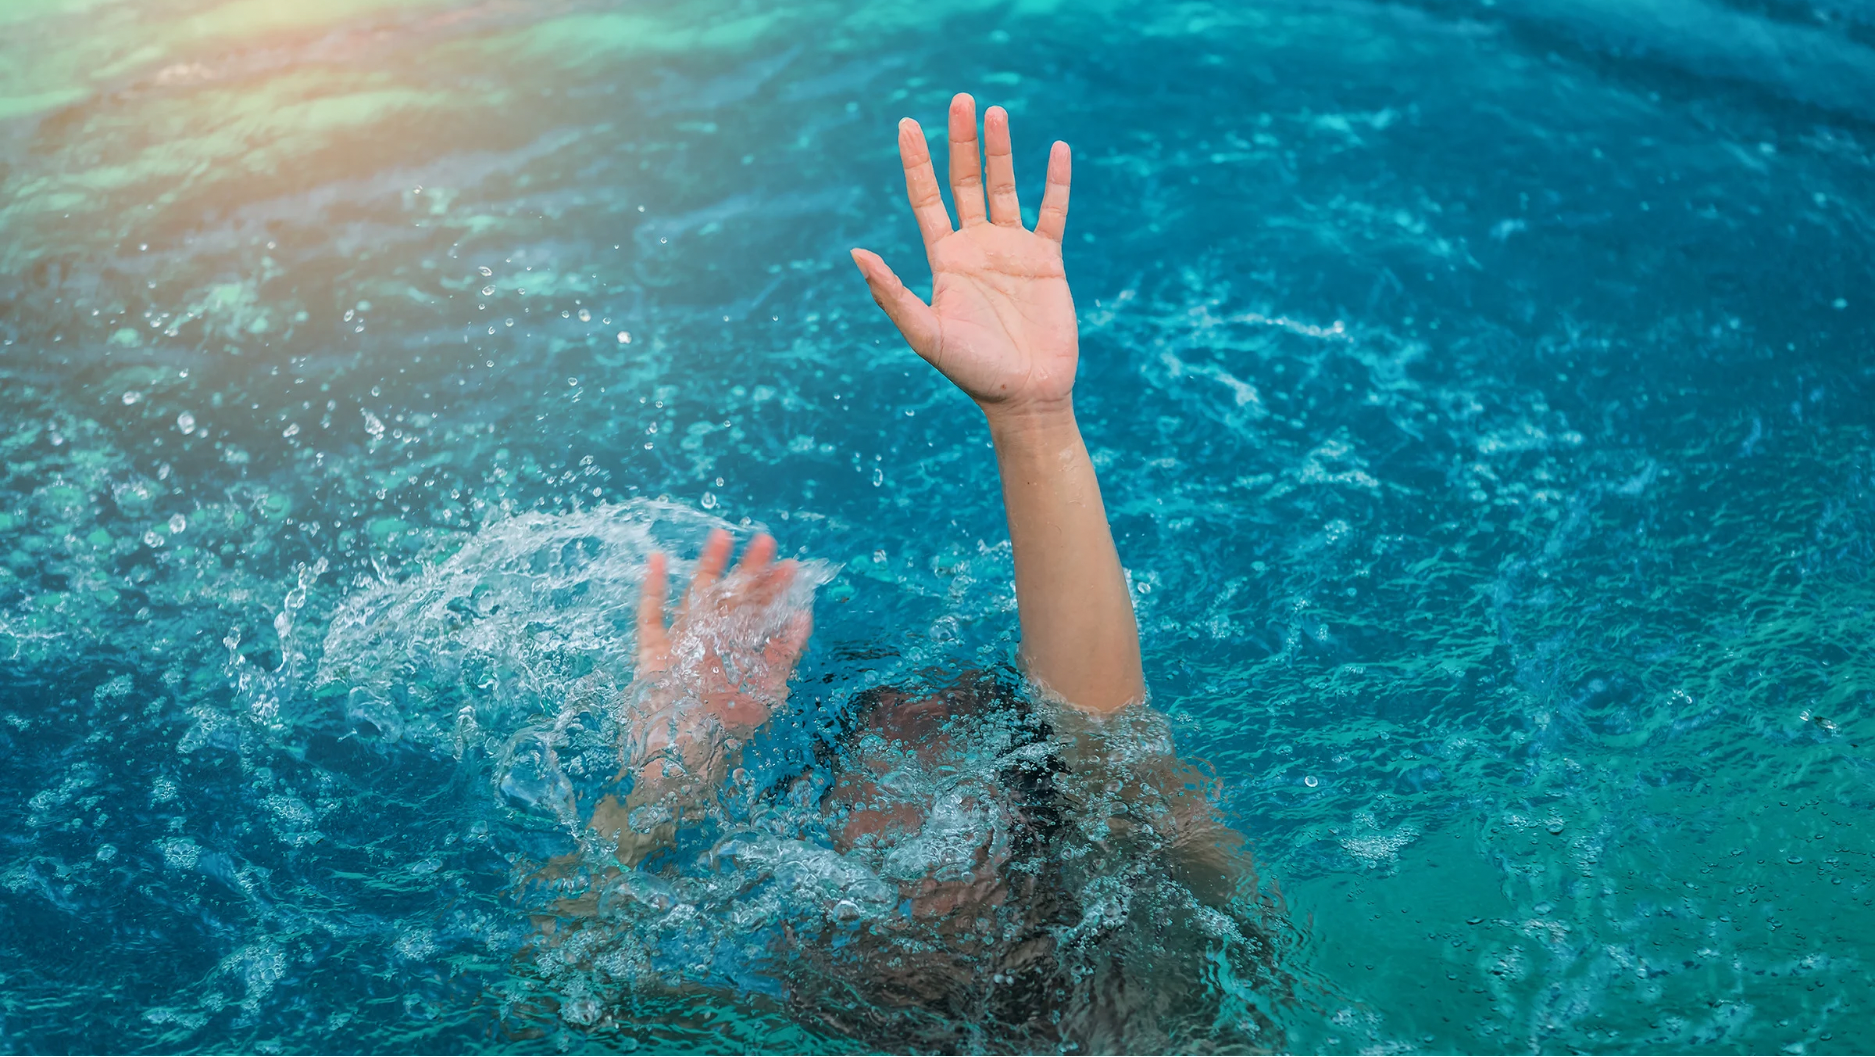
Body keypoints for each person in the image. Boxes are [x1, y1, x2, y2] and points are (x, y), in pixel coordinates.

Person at [550, 93, 1283, 1053]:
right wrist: (662, 793)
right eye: (867, 788)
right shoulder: (800, 996)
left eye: (939, 780)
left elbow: (1111, 745)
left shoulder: (1153, 978)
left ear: (1045, 847)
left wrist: (1033, 422)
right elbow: (553, 994)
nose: (889, 838)